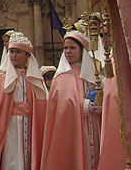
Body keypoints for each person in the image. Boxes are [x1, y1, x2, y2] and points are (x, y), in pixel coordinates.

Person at [0, 32, 48, 170]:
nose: (14, 55)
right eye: (11, 52)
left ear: (27, 55)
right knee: (11, 156)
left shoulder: (34, 78)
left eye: (18, 52)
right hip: (10, 124)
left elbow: (41, 102)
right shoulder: (4, 78)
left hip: (30, 122)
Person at [41, 30, 101, 170]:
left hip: (94, 125)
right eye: (65, 48)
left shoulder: (94, 72)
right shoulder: (61, 77)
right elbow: (61, 106)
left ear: (82, 51)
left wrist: (100, 104)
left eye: (72, 48)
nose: (68, 51)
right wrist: (82, 105)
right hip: (72, 129)